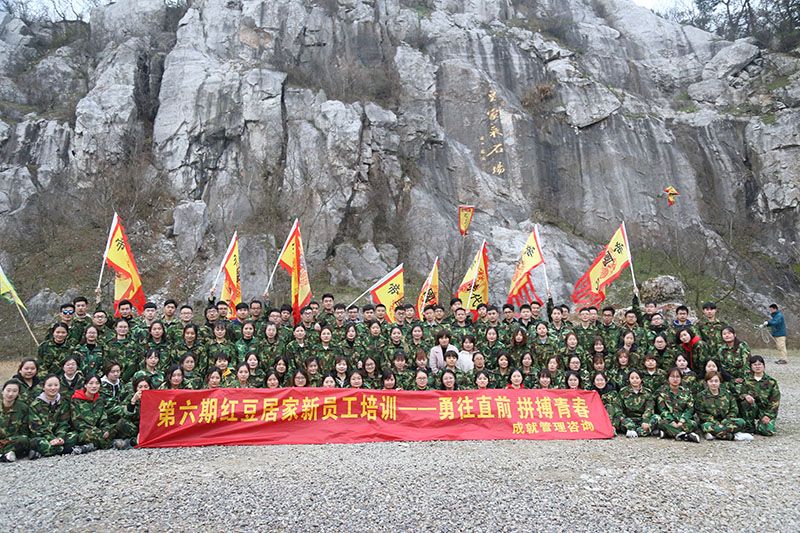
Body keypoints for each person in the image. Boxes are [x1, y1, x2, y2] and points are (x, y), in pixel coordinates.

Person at [695, 371, 751, 441]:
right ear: (707, 382)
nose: (713, 383)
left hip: (727, 421)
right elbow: (701, 413)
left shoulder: (727, 393)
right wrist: (715, 422)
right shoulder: (701, 396)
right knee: (706, 426)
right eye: (711, 381)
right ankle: (733, 436)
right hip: (711, 422)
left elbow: (734, 409)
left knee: (741, 422)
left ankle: (715, 434)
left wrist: (726, 420)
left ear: (720, 382)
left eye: (716, 381)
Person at [28, 374, 74, 459]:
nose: (53, 388)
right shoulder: (35, 405)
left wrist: (60, 438)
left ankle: (49, 451)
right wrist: (51, 439)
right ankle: (66, 450)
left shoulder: (63, 402)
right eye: (49, 385)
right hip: (42, 437)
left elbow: (64, 423)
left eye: (56, 385)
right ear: (43, 387)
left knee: (74, 436)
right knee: (40, 443)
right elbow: (37, 428)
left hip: (58, 435)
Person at [68, 375, 112, 454]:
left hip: (98, 431)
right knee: (90, 435)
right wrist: (99, 432)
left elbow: (103, 418)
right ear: (85, 385)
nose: (94, 386)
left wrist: (106, 430)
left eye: (97, 383)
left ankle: (92, 446)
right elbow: (78, 423)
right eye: (91, 383)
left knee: (115, 428)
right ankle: (109, 444)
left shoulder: (99, 399)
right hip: (83, 432)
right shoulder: (76, 400)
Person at [655, 368, 701, 442]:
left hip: (683, 420)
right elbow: (662, 410)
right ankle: (686, 436)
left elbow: (690, 409)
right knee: (661, 423)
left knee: (693, 424)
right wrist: (672, 421)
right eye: (672, 377)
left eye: (678, 377)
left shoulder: (686, 392)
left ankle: (670, 433)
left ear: (681, 378)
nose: (675, 379)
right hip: (669, 420)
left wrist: (681, 421)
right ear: (668, 378)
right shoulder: (662, 392)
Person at [739, 356, 780, 436]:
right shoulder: (746, 380)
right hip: (752, 408)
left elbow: (775, 401)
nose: (757, 366)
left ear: (764, 366)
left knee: (767, 432)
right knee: (745, 402)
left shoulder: (771, 381)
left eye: (759, 364)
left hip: (765, 410)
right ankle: (749, 426)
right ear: (751, 367)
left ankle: (761, 426)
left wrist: (768, 415)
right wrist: (745, 396)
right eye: (754, 365)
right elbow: (740, 394)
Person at [616, 370, 655, 438]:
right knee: (622, 420)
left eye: (637, 378)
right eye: (632, 378)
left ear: (641, 379)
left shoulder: (647, 392)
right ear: (629, 379)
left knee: (657, 418)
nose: (635, 380)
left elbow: (649, 408)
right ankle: (640, 431)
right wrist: (625, 420)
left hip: (642, 418)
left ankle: (635, 431)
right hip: (628, 419)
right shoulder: (623, 391)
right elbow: (619, 409)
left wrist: (645, 421)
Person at [0, 380, 30, 462]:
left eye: (14, 391)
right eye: (8, 390)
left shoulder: (23, 408)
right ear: (3, 391)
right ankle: (6, 455)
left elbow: (24, 431)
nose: (10, 394)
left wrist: (6, 441)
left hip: (11, 441)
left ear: (18, 393)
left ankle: (4, 454)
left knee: (24, 440)